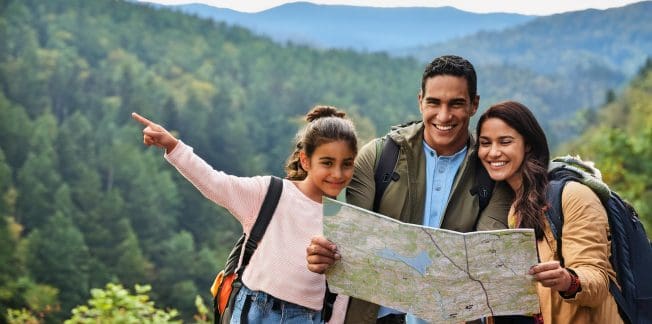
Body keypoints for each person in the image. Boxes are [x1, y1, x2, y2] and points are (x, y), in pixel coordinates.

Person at [306, 55, 514, 324]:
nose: (444, 115)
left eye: (456, 104)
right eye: (434, 103)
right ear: (420, 101)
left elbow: (483, 261)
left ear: (474, 104)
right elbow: (351, 241)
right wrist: (323, 254)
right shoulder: (379, 156)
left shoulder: (493, 175)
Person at [132, 105, 358, 323]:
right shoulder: (271, 193)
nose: (337, 173)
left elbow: (343, 292)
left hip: (305, 318)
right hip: (252, 310)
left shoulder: (344, 222)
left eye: (347, 164)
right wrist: (173, 146)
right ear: (305, 160)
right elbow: (215, 182)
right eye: (327, 163)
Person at [476, 100, 624, 323]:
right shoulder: (511, 205)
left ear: (528, 144)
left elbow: (597, 280)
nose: (493, 152)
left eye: (505, 142)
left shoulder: (572, 195)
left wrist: (567, 280)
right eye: (485, 143)